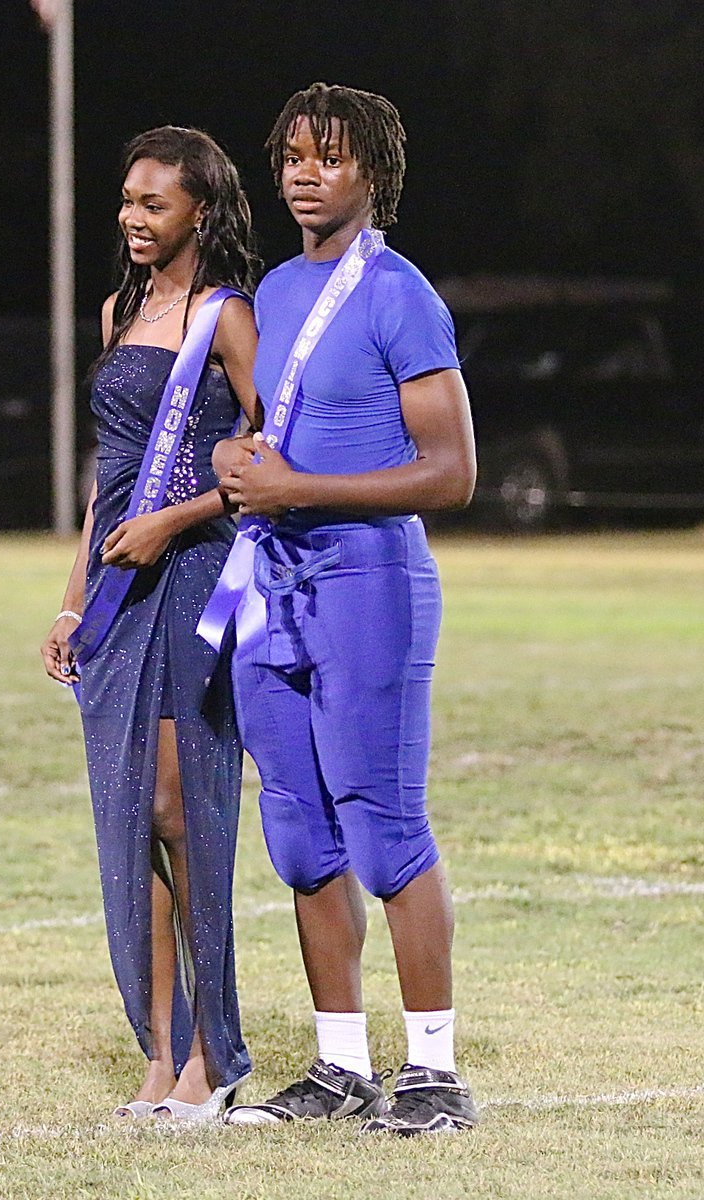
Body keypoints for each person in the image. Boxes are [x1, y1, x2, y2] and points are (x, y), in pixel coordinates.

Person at [213, 83, 479, 1136]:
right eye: (290, 157)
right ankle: (336, 1066)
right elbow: (273, 443)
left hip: (368, 579)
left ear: (372, 172)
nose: (303, 174)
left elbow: (452, 471)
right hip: (270, 583)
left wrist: (301, 491)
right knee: (298, 833)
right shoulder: (273, 289)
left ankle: (433, 1074)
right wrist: (245, 465)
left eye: (327, 157)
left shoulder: (399, 292)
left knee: (383, 830)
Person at [41, 126, 261, 1122]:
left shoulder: (229, 318)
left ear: (199, 213)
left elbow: (268, 461)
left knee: (179, 808)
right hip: (118, 588)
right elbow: (107, 479)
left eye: (154, 204)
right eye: (126, 200)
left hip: (195, 578)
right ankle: (161, 1050)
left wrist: (175, 519)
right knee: (134, 817)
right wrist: (73, 594)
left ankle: (212, 1053)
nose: (133, 218)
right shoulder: (117, 310)